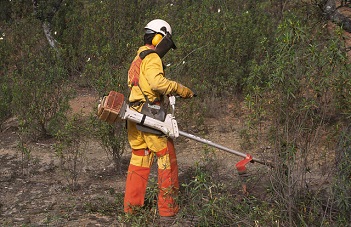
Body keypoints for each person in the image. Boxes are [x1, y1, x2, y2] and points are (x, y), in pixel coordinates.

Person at [123, 19, 194, 218]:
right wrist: (181, 89)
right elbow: (157, 83)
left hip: (134, 116)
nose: (167, 48)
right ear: (158, 37)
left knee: (140, 158)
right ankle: (168, 211)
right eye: (166, 42)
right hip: (149, 115)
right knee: (166, 158)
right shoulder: (152, 57)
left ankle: (132, 209)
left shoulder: (138, 56)